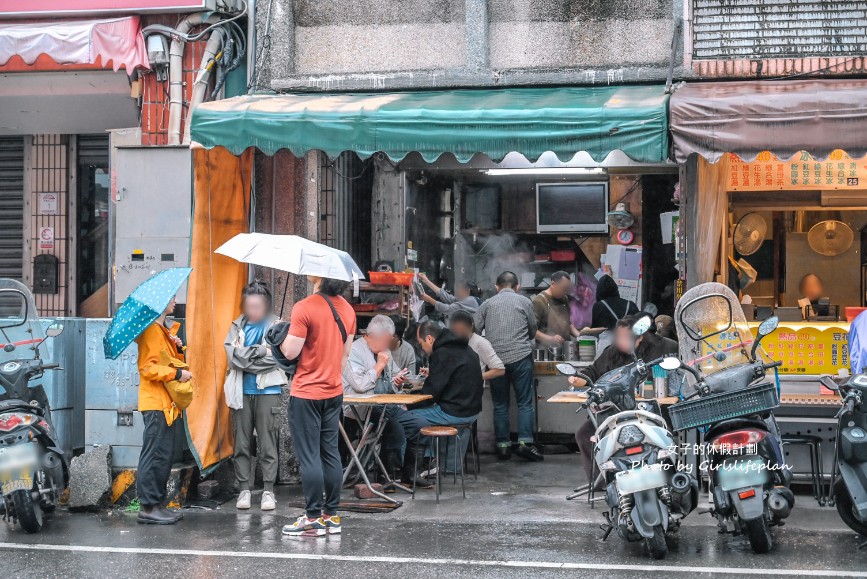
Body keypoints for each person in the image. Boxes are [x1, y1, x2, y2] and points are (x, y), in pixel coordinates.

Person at [278, 276, 356, 538]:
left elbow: (290, 352)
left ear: (319, 277)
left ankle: (312, 517)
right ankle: (331, 515)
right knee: (330, 452)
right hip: (334, 391)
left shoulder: (304, 307)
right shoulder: (348, 309)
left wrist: (278, 332)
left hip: (307, 393)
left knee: (309, 455)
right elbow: (345, 355)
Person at [568, 314, 678, 485]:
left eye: (626, 337)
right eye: (619, 336)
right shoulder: (612, 352)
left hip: (647, 413)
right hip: (613, 413)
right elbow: (592, 372)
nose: (621, 341)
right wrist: (579, 378)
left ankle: (660, 482)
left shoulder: (660, 348)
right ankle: (603, 483)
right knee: (584, 434)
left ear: (640, 337)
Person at [223, 282, 287, 512]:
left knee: (268, 441)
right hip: (241, 391)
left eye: (257, 305)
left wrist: (247, 359)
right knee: (241, 441)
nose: (253, 309)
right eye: (249, 304)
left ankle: (268, 490)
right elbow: (232, 358)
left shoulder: (277, 326)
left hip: (268, 391)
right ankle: (244, 490)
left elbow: (278, 358)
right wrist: (261, 351)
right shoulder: (236, 326)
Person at [401, 319, 484, 482]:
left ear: (430, 339)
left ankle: (417, 467)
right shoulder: (465, 349)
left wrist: (408, 405)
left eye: (421, 344)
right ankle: (438, 463)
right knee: (422, 414)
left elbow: (431, 394)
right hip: (471, 410)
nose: (422, 349)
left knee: (409, 418)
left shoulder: (442, 353)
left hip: (455, 411)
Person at [474, 271, 542, 462]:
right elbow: (533, 329)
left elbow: (475, 331)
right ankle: (525, 443)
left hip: (495, 361)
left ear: (497, 287)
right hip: (521, 357)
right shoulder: (525, 302)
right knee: (524, 402)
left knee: (501, 404)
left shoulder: (487, 304)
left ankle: (503, 445)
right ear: (517, 286)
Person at [135, 296, 191, 525]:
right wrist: (177, 374)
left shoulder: (161, 329)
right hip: (155, 402)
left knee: (163, 455)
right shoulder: (151, 330)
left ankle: (156, 504)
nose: (175, 301)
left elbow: (167, 361)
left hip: (166, 403)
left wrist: (177, 346)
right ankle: (148, 506)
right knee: (154, 454)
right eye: (171, 297)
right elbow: (147, 368)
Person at [343, 315, 408, 486]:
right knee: (395, 429)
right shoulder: (353, 351)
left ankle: (400, 475)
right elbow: (359, 385)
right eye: (387, 340)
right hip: (357, 409)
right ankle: (384, 476)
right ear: (377, 336)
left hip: (382, 405)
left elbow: (394, 375)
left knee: (415, 423)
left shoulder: (384, 352)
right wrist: (379, 365)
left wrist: (398, 382)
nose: (388, 345)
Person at [587, 274, 639, 357]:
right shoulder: (631, 305)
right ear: (615, 289)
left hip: (607, 345)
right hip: (628, 343)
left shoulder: (599, 306)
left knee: (604, 368)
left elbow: (595, 329)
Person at [449, 310, 505, 382]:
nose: (458, 335)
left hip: (472, 389)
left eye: (462, 330)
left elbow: (499, 370)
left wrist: (474, 377)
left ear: (471, 326)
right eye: (455, 331)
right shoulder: (450, 341)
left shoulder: (480, 343)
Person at [533, 271, 580, 346]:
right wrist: (551, 338)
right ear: (553, 284)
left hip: (565, 346)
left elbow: (568, 323)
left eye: (567, 289)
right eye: (563, 288)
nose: (565, 292)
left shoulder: (564, 298)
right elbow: (533, 331)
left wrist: (580, 336)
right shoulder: (539, 301)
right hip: (547, 349)